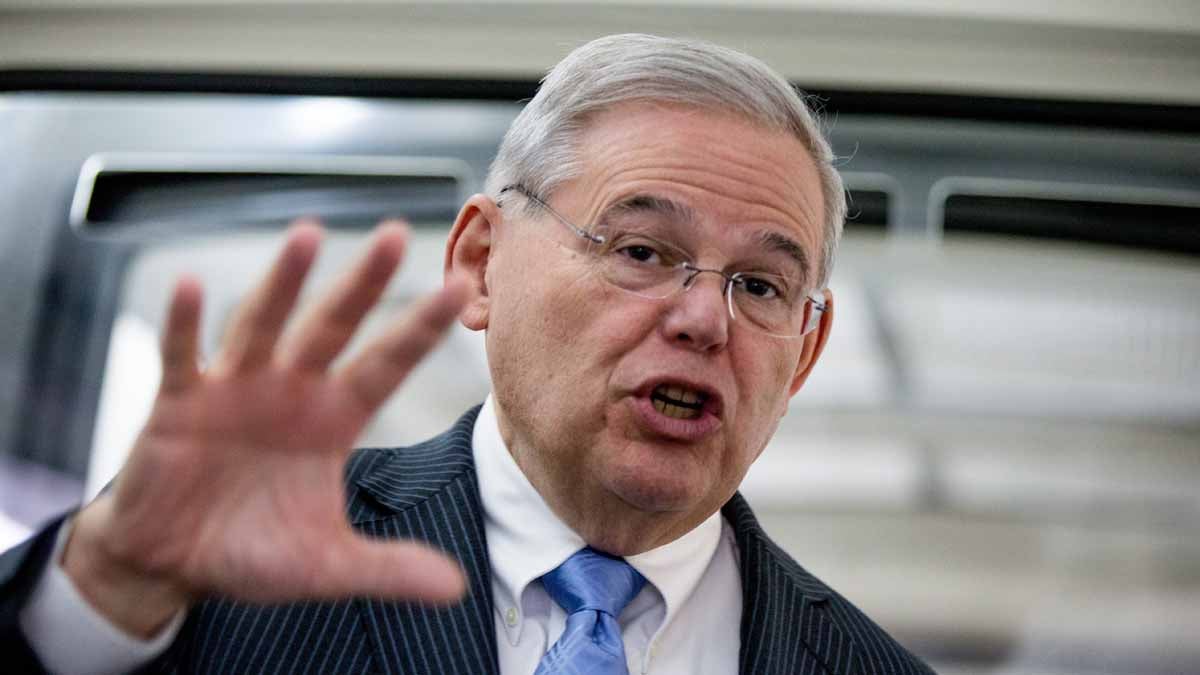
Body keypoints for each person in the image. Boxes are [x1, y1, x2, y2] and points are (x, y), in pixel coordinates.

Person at [0, 34, 933, 674]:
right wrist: (105, 589)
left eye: (761, 286)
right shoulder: (236, 568)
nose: (703, 319)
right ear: (481, 264)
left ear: (803, 354)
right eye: (643, 251)